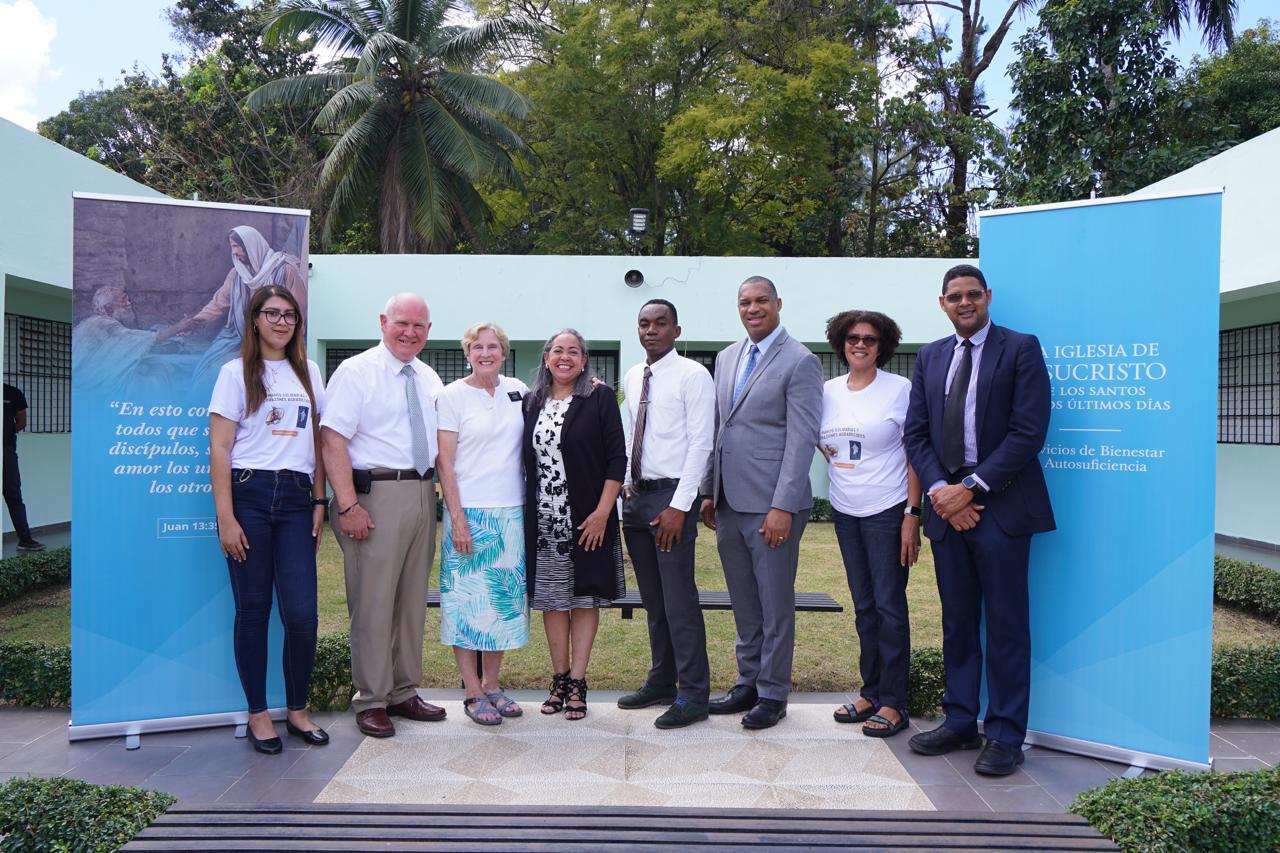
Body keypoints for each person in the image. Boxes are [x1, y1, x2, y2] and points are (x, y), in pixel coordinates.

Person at [904, 263, 1055, 776]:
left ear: (987, 296)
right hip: (947, 506)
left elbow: (1029, 432)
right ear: (942, 303)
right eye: (954, 296)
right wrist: (944, 492)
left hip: (1001, 505)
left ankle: (1007, 734)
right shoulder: (929, 356)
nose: (964, 302)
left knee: (1008, 625)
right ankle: (960, 720)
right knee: (958, 623)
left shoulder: (1020, 348)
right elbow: (916, 434)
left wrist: (970, 489)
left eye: (973, 294)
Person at [208, 285, 328, 754]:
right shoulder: (234, 372)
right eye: (272, 314)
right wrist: (226, 518)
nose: (282, 322)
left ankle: (296, 709)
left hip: (297, 500)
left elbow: (319, 442)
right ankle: (259, 713)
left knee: (302, 616)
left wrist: (320, 503)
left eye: (290, 316)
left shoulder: (309, 371)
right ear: (255, 318)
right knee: (253, 613)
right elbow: (220, 446)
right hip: (250, 496)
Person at [699, 276, 823, 730]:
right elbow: (720, 427)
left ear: (778, 304)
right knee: (744, 603)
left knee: (774, 604)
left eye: (761, 301)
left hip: (773, 505)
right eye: (745, 302)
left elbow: (802, 437)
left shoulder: (801, 361)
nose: (753, 309)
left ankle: (773, 693)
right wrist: (709, 490)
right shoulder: (727, 356)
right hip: (730, 501)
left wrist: (783, 506)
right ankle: (747, 681)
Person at [321, 292, 447, 738]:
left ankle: (403, 690)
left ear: (428, 331)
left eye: (419, 326)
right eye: (402, 323)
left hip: (419, 493)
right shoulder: (357, 372)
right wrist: (349, 503)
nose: (410, 332)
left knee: (411, 600)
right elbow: (332, 439)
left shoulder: (429, 377)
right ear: (383, 322)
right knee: (373, 602)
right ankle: (371, 698)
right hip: (372, 497)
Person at [820, 310, 921, 738]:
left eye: (870, 339)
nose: (860, 344)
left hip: (887, 510)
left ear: (883, 346)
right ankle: (871, 692)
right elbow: (822, 441)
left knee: (889, 608)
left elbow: (916, 451)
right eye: (852, 338)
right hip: (845, 511)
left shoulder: (900, 389)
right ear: (841, 343)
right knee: (864, 608)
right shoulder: (826, 391)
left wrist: (912, 515)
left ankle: (895, 702)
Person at [618, 299, 715, 729]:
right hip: (637, 497)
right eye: (644, 323)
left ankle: (694, 693)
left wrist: (681, 506)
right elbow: (628, 435)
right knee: (654, 600)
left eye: (661, 323)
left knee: (679, 599)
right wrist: (624, 484)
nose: (651, 330)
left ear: (676, 330)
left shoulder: (694, 375)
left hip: (672, 498)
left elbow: (702, 443)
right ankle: (662, 680)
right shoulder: (634, 374)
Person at [522, 329, 626, 721]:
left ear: (584, 360)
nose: (564, 357)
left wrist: (602, 512)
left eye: (573, 352)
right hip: (545, 521)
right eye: (557, 351)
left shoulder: (598, 397)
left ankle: (579, 682)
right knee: (552, 601)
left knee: (584, 600)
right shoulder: (532, 401)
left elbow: (617, 459)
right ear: (546, 357)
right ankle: (559, 679)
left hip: (587, 520)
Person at [435, 322, 530, 726]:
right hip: (469, 513)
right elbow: (445, 462)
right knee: (465, 604)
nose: (486, 352)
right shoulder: (452, 396)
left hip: (511, 511)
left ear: (504, 352)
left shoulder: (519, 391)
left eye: (493, 346)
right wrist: (457, 517)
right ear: (467, 351)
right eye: (478, 346)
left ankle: (493, 684)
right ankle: (471, 689)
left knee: (503, 605)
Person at [167, 226, 307, 384]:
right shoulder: (236, 275)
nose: (234, 252)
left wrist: (289, 347)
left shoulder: (285, 270)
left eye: (237, 246)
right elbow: (217, 305)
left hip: (276, 339)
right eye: (232, 247)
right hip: (239, 338)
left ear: (250, 245)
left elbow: (299, 313)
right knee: (210, 370)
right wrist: (193, 323)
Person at [72, 286, 184, 394]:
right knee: (155, 375)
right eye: (123, 300)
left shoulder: (95, 322)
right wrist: (181, 326)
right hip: (91, 382)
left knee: (152, 367)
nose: (129, 303)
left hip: (84, 378)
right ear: (109, 308)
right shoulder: (106, 324)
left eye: (127, 299)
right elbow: (147, 339)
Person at [3, 384, 44, 552]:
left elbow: (21, 422)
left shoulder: (12, 392)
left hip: (5, 452)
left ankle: (25, 540)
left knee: (14, 495)